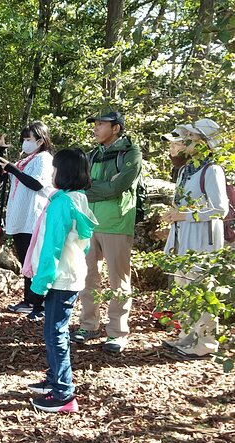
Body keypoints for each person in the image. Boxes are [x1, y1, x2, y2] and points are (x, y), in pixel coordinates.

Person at [22, 148, 97, 413]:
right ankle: (54, 380)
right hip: (71, 274)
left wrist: (40, 284)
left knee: (55, 333)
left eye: (55, 169)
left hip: (60, 279)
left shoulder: (62, 203)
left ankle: (64, 394)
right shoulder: (77, 198)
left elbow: (51, 247)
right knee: (54, 331)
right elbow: (84, 244)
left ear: (63, 172)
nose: (51, 173)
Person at [70, 110, 142, 354]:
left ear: (116, 128)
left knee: (118, 280)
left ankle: (117, 332)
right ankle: (88, 324)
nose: (96, 128)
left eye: (101, 124)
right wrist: (103, 186)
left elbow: (118, 187)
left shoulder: (130, 153)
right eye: (95, 124)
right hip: (89, 223)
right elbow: (82, 184)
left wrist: (95, 187)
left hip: (117, 223)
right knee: (87, 277)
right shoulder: (92, 155)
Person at [160, 119, 228, 359]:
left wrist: (184, 216)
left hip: (203, 240)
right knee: (184, 287)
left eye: (191, 136)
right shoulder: (186, 171)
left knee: (201, 289)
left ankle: (206, 343)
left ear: (204, 143)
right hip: (183, 238)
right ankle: (188, 336)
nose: (185, 140)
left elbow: (221, 210)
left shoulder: (212, 170)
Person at [0, 121, 54, 321]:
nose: (25, 143)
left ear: (40, 140)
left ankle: (40, 303)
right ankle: (28, 301)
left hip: (33, 217)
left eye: (29, 139)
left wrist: (13, 169)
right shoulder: (25, 160)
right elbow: (0, 176)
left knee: (34, 261)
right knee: (25, 261)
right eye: (24, 139)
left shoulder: (44, 159)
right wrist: (0, 152)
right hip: (20, 217)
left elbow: (37, 184)